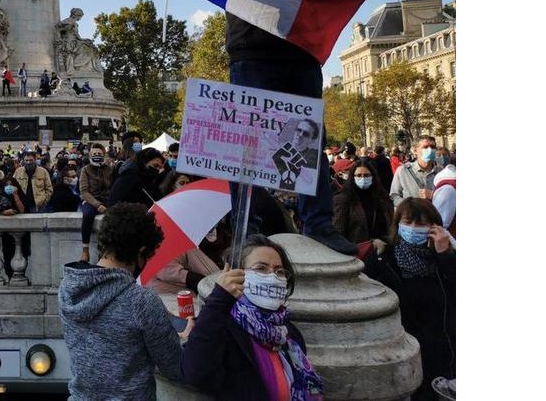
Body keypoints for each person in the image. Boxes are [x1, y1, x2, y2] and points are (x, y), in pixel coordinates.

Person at [174, 0, 396, 256]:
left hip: (301, 48)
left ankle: (319, 225)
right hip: (253, 50)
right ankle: (247, 229)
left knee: (310, 136)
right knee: (247, 145)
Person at [59, 203, 188, 400]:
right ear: (141, 252)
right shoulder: (141, 301)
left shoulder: (68, 289)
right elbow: (175, 368)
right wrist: (184, 338)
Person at [181, 234, 322, 400]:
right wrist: (218, 300)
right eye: (261, 268)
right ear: (237, 275)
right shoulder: (223, 326)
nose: (272, 276)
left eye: (279, 271)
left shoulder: (289, 334)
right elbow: (196, 373)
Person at [363, 198, 455, 400]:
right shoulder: (383, 258)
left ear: (434, 227)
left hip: (439, 352)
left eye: (421, 224)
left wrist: (445, 255)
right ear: (398, 225)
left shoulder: (445, 258)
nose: (413, 229)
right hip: (398, 351)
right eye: (408, 223)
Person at [332, 160, 394, 255]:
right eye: (359, 175)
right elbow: (338, 230)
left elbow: (390, 225)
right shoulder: (343, 199)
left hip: (382, 250)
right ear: (352, 177)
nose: (363, 178)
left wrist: (384, 241)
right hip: (356, 253)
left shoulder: (382, 197)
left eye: (366, 175)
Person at [78, 143, 114, 263]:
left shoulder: (109, 169)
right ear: (90, 155)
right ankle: (85, 250)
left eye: (99, 154)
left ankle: (105, 249)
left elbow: (112, 187)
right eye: (94, 154)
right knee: (87, 215)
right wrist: (97, 205)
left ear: (103, 155)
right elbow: (84, 192)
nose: (97, 156)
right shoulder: (85, 170)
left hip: (107, 200)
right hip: (90, 200)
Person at [389, 135, 442, 206]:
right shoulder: (403, 171)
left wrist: (434, 196)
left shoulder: (442, 172)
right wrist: (410, 206)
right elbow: (394, 196)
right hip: (413, 216)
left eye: (433, 147)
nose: (430, 150)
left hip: (437, 215)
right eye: (425, 147)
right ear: (415, 151)